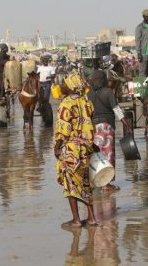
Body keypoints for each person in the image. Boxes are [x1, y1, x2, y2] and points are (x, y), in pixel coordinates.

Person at [54, 72, 98, 228]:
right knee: (85, 182)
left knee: (70, 185)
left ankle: (76, 220)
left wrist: (57, 146)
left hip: (71, 148)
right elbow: (90, 123)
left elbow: (63, 128)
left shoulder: (66, 103)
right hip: (85, 149)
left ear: (71, 86)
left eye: (66, 84)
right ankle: (92, 218)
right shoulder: (86, 102)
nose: (63, 86)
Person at [88, 70, 132, 191]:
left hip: (93, 128)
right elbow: (117, 109)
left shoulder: (88, 94)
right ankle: (106, 184)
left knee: (96, 156)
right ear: (103, 80)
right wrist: (126, 125)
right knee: (108, 155)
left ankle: (94, 182)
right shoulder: (108, 92)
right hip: (106, 127)